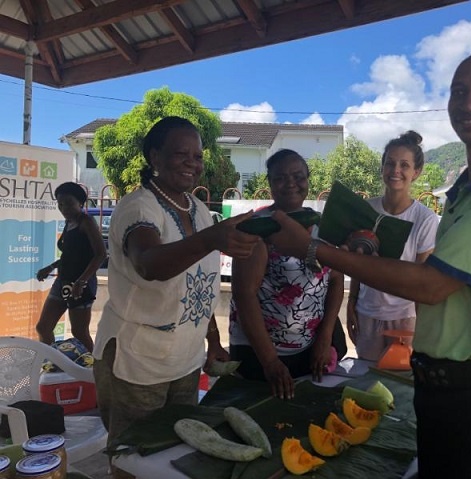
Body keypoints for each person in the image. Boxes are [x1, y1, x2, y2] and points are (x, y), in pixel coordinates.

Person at [267, 50, 471, 479]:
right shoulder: (466, 188)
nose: (469, 102)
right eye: (459, 91)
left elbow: (432, 284)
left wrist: (315, 250)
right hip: (443, 381)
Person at [92, 116, 260, 450]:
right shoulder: (138, 207)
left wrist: (212, 339)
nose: (192, 163)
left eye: (197, 156)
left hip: (185, 358)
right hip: (137, 359)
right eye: (180, 154)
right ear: (154, 157)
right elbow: (149, 263)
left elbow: (200, 285)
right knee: (133, 454)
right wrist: (212, 238)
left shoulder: (198, 208)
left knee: (175, 449)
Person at [229, 149, 344, 400]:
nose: (291, 183)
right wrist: (270, 362)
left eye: (298, 176)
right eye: (280, 178)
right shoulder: (257, 228)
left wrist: (325, 338)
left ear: (308, 180)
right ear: (269, 183)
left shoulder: (325, 227)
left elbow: (335, 279)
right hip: (260, 353)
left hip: (310, 347)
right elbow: (244, 295)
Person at [347, 131, 439, 361]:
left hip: (405, 317)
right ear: (382, 168)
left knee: (400, 383)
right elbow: (358, 263)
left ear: (416, 173)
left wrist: (424, 329)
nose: (395, 170)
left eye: (404, 165)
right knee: (367, 382)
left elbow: (423, 279)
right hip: (366, 313)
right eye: (390, 163)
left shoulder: (424, 219)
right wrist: (351, 303)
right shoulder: (367, 210)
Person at [36, 182, 107, 352]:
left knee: (79, 332)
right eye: (60, 204)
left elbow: (101, 254)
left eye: (68, 203)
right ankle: (49, 362)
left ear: (80, 203)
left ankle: (96, 369)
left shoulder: (86, 222)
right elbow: (70, 255)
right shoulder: (69, 223)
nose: (63, 208)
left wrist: (81, 281)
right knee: (43, 328)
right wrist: (50, 267)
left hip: (81, 284)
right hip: (63, 281)